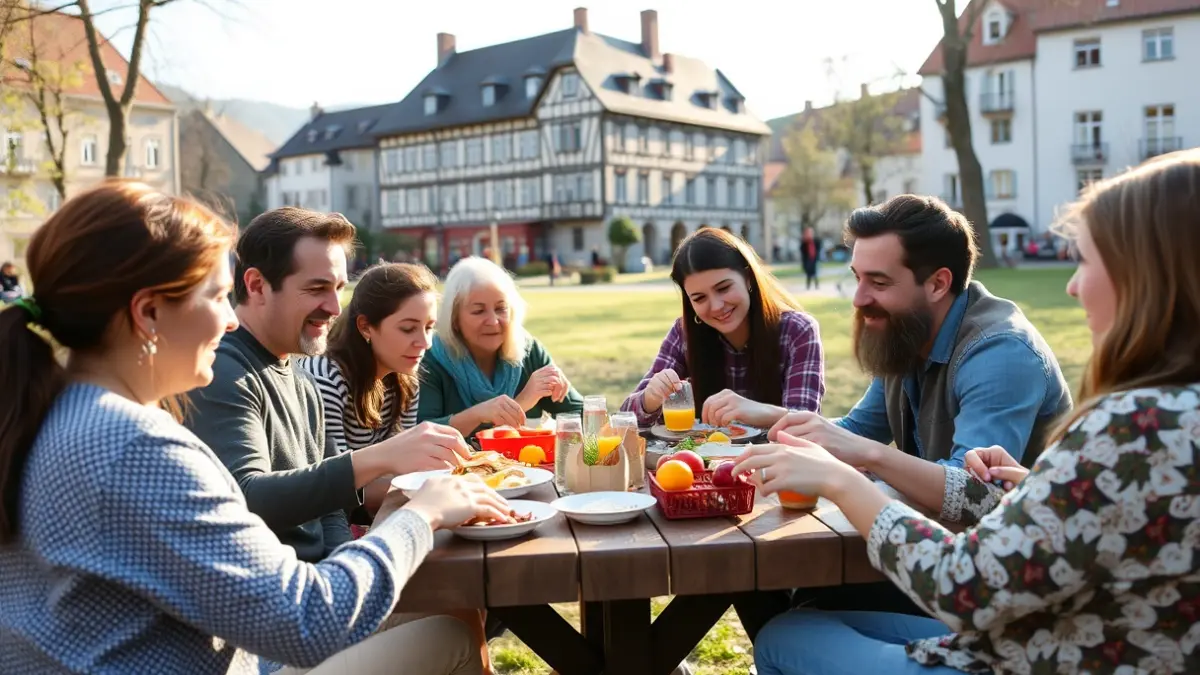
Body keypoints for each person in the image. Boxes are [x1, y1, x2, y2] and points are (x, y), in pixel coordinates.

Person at [0, 181, 503, 674]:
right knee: (449, 634)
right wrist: (421, 516)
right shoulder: (132, 444)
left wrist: (396, 508)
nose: (231, 321)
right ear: (149, 314)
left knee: (453, 611)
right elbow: (307, 622)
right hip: (271, 651)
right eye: (218, 297)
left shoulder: (53, 413)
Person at [738, 149, 1200, 675]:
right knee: (798, 613)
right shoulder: (1168, 416)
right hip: (1056, 626)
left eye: (1086, 261)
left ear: (1149, 276)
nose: (1071, 286)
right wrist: (1034, 484)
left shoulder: (1128, 421)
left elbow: (968, 584)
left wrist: (847, 479)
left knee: (785, 633)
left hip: (1034, 648)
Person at [775, 195, 1071, 613]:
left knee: (798, 612)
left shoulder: (1001, 353)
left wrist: (867, 458)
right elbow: (858, 431)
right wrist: (768, 422)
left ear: (937, 284)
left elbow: (977, 495)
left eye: (878, 283)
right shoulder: (908, 329)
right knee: (794, 588)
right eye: (857, 278)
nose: (858, 299)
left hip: (995, 587)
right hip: (938, 553)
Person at [186, 208, 471, 565]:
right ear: (257, 285)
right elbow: (246, 497)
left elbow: (332, 510)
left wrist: (347, 571)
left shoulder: (303, 380)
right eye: (317, 288)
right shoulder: (221, 370)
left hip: (326, 590)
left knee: (467, 600)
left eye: (338, 288)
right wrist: (382, 456)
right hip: (277, 603)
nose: (336, 307)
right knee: (457, 612)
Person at [621, 226, 825, 431]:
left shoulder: (798, 331)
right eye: (699, 298)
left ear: (747, 278)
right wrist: (650, 398)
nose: (717, 306)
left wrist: (754, 411)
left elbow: (808, 427)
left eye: (724, 288)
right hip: (698, 462)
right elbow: (624, 420)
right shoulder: (683, 334)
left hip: (774, 460)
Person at [418, 256, 582, 436]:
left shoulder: (528, 350)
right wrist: (519, 404)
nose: (493, 321)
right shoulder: (430, 358)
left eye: (501, 308)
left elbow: (579, 415)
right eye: (479, 311)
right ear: (454, 319)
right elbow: (420, 435)